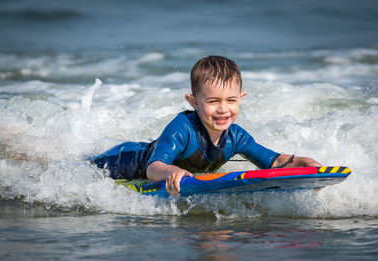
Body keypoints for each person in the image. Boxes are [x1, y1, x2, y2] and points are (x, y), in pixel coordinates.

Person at [92, 56, 321, 197]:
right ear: (193, 102)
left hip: (142, 160)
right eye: (213, 101)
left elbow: (275, 162)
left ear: (240, 98)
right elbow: (154, 168)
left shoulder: (236, 137)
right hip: (121, 162)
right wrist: (171, 171)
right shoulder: (182, 128)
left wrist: (304, 163)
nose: (223, 109)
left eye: (231, 101)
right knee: (80, 172)